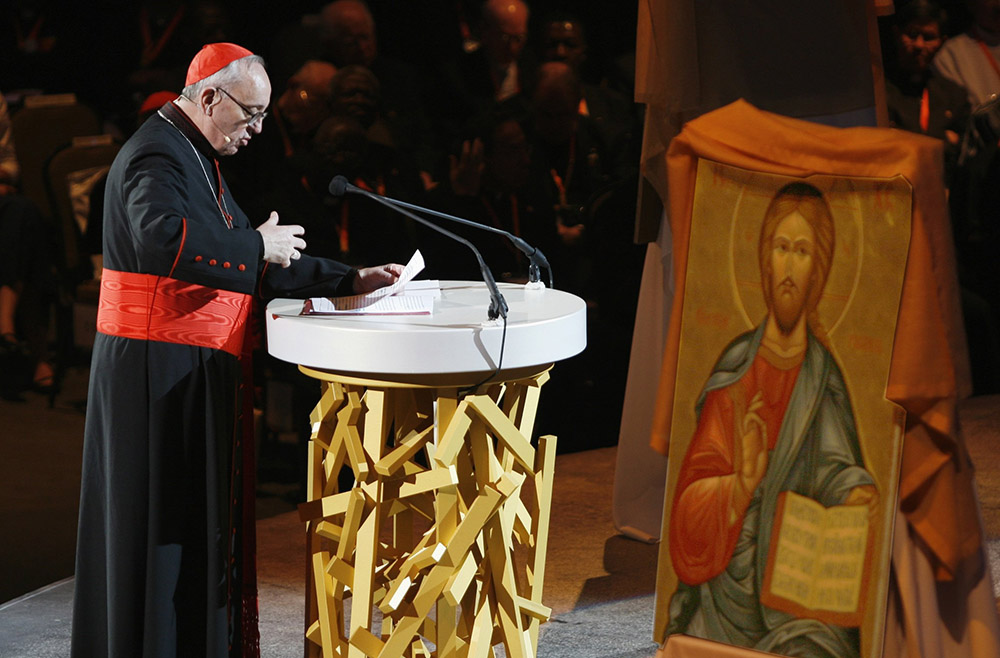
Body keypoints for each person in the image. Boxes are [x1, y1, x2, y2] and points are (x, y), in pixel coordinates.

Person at [71, 43, 402, 658]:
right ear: (208, 98)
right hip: (154, 378)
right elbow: (159, 242)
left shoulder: (197, 154)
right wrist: (255, 247)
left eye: (262, 118)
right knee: (159, 537)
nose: (255, 131)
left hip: (187, 373)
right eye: (248, 115)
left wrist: (348, 279)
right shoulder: (156, 153)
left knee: (191, 533)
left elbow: (251, 262)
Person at [666, 183, 878, 657]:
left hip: (799, 590)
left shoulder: (823, 377)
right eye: (780, 248)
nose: (787, 265)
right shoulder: (736, 369)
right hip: (726, 592)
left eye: (801, 251)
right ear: (764, 259)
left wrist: (853, 488)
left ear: (818, 269)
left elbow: (833, 463)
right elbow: (687, 510)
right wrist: (740, 484)